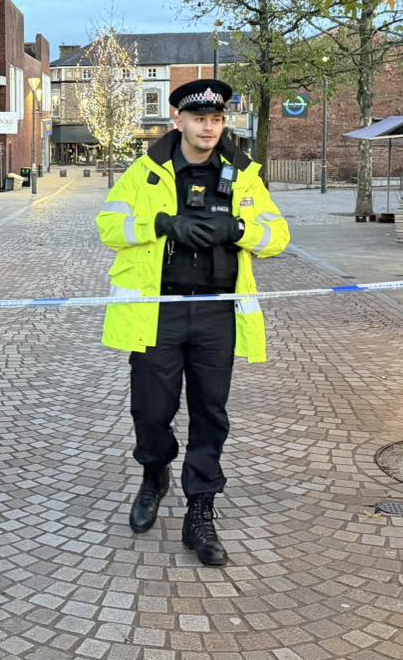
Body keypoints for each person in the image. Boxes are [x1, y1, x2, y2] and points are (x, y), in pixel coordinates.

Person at [96, 78, 290, 566]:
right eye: (200, 118)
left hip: (216, 312)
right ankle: (153, 474)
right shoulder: (146, 172)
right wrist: (160, 225)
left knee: (210, 414)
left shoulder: (243, 174)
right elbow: (107, 226)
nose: (209, 127)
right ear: (178, 121)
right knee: (151, 410)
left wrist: (240, 229)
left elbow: (278, 235)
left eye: (217, 119)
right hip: (157, 311)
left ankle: (200, 510)